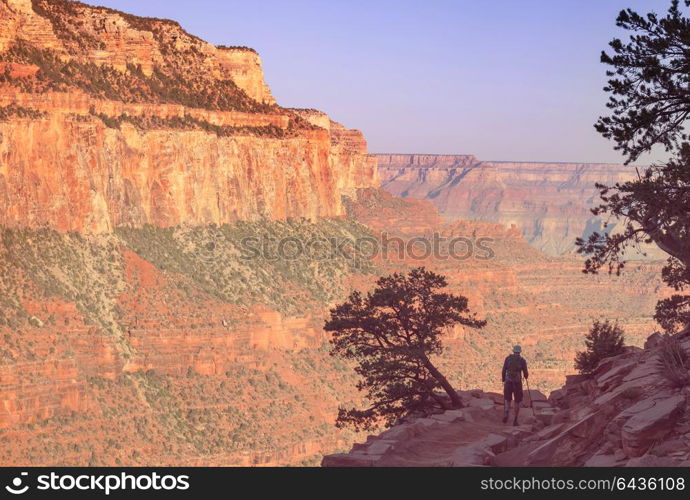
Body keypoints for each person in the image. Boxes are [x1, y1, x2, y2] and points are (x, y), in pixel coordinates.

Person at [501, 345, 528, 426]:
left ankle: (506, 413)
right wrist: (526, 377)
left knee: (507, 399)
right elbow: (526, 373)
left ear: (513, 351)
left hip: (508, 381)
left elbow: (503, 370)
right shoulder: (522, 360)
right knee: (517, 401)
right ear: (520, 352)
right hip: (517, 383)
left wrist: (503, 379)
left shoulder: (508, 358)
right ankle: (515, 420)